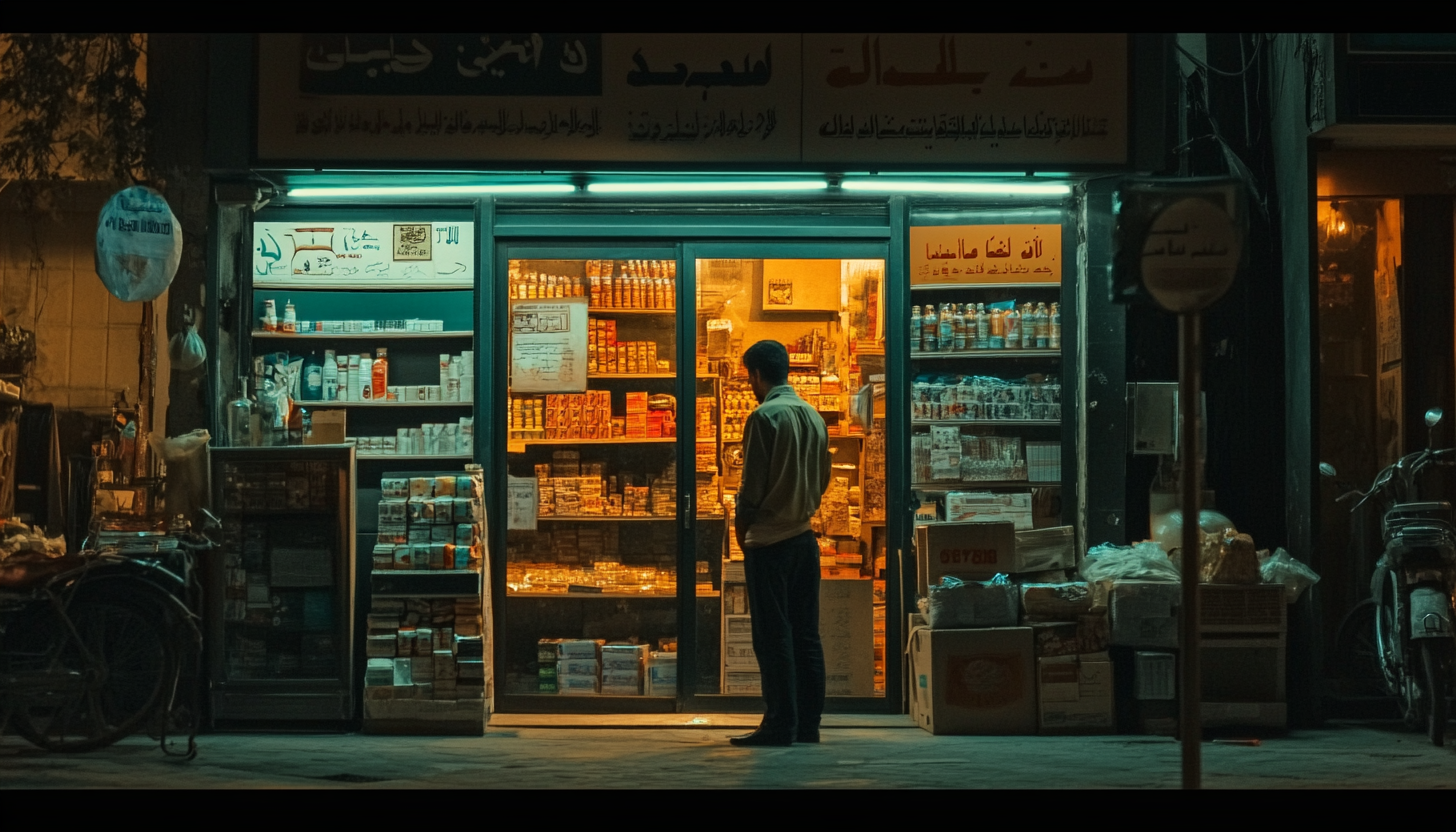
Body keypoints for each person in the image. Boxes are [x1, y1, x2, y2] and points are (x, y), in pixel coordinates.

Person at [729, 340, 831, 747]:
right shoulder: (814, 416)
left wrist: (741, 531)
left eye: (748, 376)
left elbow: (750, 491)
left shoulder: (763, 417)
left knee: (773, 637)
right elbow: (822, 481)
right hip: (805, 539)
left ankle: (778, 724)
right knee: (806, 634)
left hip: (769, 542)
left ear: (756, 374)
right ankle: (808, 725)